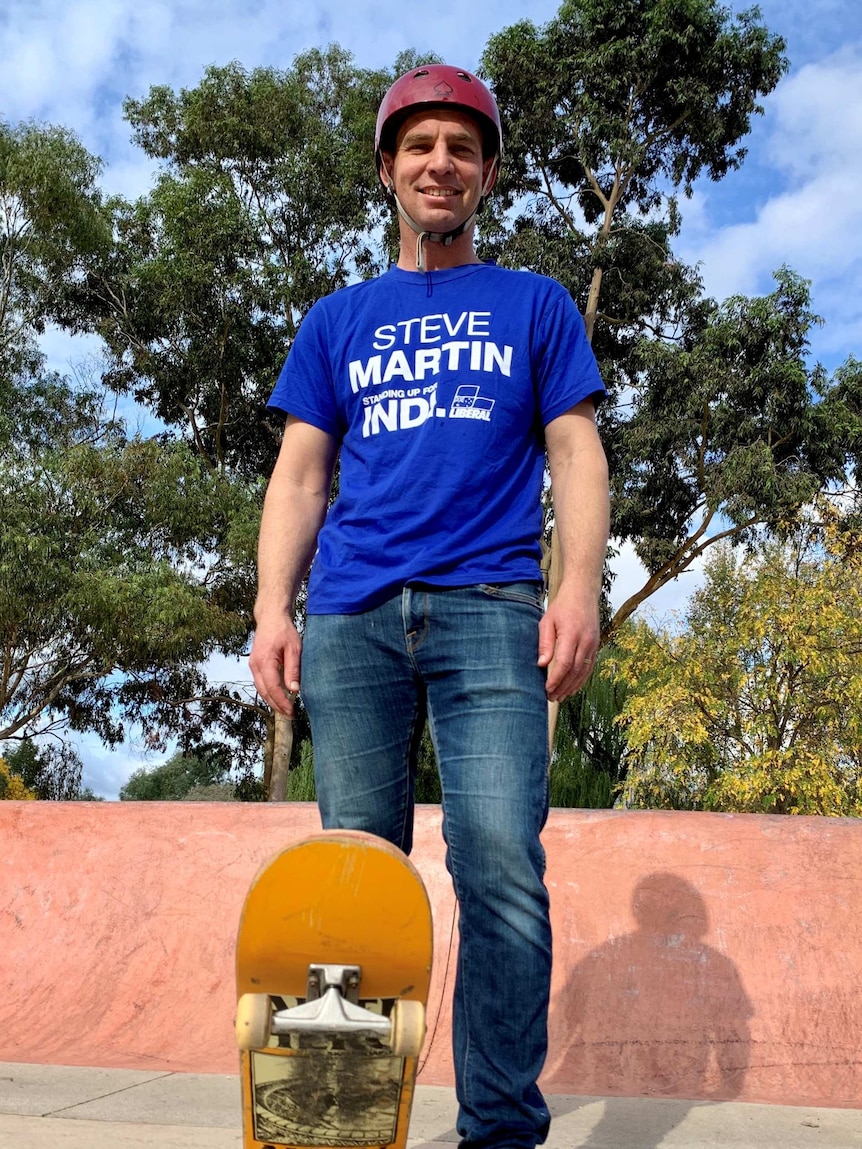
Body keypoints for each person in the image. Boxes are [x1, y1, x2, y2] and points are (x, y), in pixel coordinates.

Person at [250, 63, 610, 1149]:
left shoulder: (533, 303)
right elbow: (301, 474)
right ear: (388, 171)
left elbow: (573, 447)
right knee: (356, 871)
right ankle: (345, 1126)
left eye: (460, 147)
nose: (438, 163)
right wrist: (274, 606)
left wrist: (579, 586)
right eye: (419, 147)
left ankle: (498, 1129)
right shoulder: (338, 319)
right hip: (353, 614)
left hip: (491, 607)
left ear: (487, 173)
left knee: (499, 855)